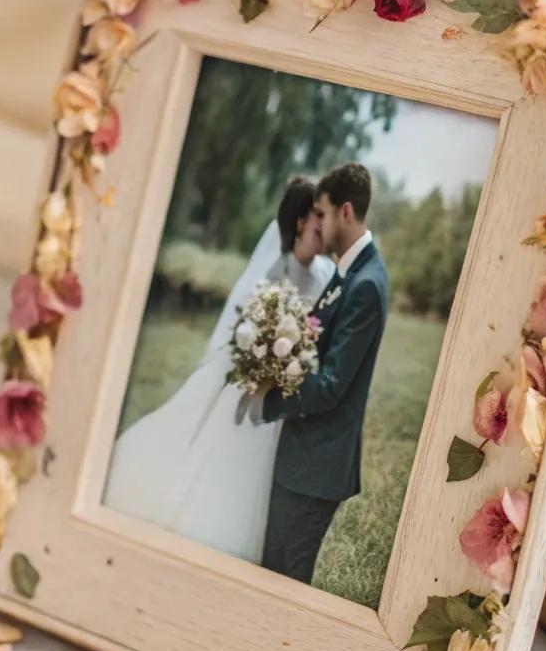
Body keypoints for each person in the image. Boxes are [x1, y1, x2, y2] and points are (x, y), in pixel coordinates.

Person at [103, 176, 334, 561]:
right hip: (252, 378)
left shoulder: (326, 275)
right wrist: (262, 364)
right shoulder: (272, 272)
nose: (324, 226)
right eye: (317, 218)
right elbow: (243, 329)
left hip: (288, 387)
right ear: (299, 222)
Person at [260, 163, 390, 585]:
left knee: (284, 578)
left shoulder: (366, 283)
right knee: (271, 567)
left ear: (345, 212)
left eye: (324, 212)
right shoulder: (348, 271)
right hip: (305, 458)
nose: (319, 222)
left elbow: (331, 385)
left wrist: (269, 397)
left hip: (316, 466)